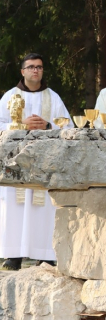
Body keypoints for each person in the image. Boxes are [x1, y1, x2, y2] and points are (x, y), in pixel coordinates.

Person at [0, 53, 73, 270]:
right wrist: (19, 123)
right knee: (15, 206)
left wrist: (48, 126)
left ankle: (44, 254)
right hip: (16, 162)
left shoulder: (53, 97)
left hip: (44, 162)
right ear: (22, 71)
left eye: (39, 67)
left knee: (43, 209)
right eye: (31, 67)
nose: (35, 70)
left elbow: (68, 128)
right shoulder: (9, 97)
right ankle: (13, 255)